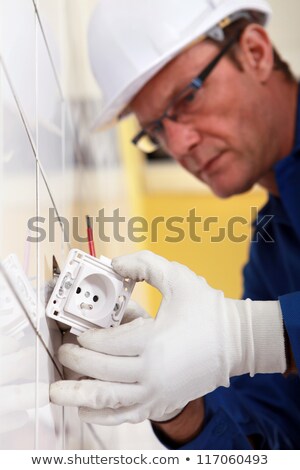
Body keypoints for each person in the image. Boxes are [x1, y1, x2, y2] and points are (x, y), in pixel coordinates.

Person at [50, 0, 300, 449]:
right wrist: (178, 407)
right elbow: (278, 438)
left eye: (188, 96)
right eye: (157, 130)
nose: (180, 143)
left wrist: (253, 334)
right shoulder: (272, 251)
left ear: (256, 52)